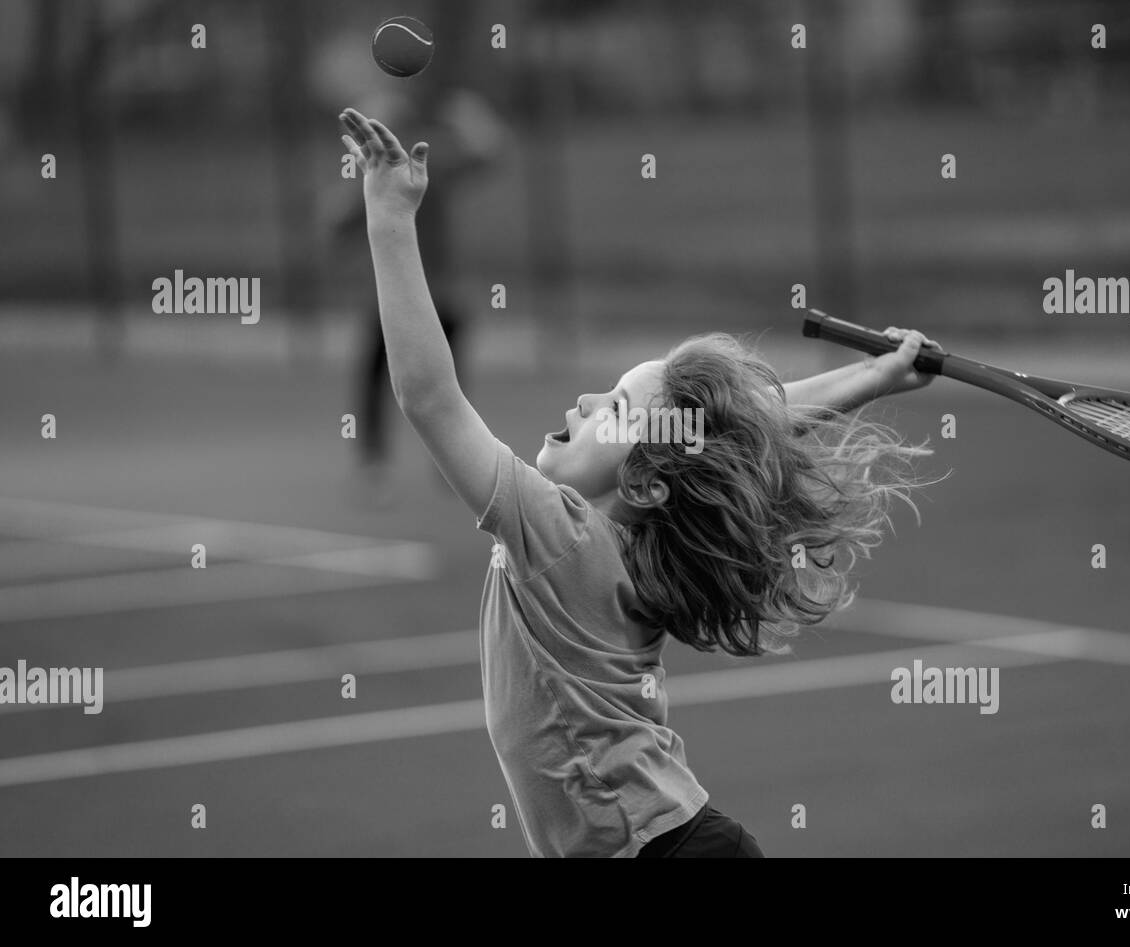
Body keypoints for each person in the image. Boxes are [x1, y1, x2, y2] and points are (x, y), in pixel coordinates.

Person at [339, 107, 942, 857]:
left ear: (650, 482)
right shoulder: (619, 541)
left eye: (616, 408)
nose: (589, 401)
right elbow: (743, 427)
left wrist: (391, 217)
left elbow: (429, 396)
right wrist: (876, 375)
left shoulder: (559, 533)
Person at [330, 89, 504, 502]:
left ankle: (376, 460)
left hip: (407, 299)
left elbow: (334, 223)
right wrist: (475, 118)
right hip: (434, 294)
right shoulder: (433, 158)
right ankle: (449, 464)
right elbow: (490, 152)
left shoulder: (399, 168)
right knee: (443, 381)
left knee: (381, 378)